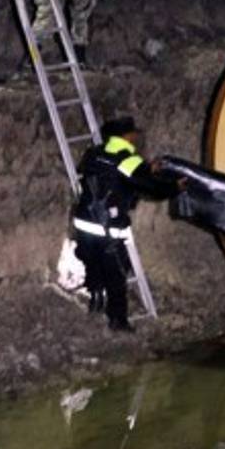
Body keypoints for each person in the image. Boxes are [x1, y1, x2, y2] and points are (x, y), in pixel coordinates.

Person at [71, 116, 177, 332]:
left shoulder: (94, 153)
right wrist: (175, 187)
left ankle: (96, 300)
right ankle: (118, 322)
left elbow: (112, 173)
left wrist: (146, 168)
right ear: (126, 136)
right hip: (108, 228)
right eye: (133, 133)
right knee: (118, 274)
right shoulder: (128, 159)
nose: (136, 136)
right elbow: (150, 187)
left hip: (84, 224)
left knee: (93, 265)